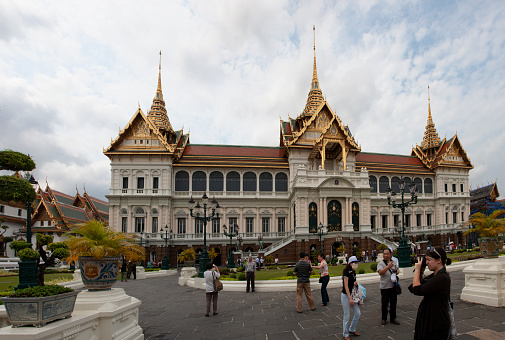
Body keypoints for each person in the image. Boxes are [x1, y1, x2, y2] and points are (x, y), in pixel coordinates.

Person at [411, 247, 452, 339]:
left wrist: (417, 270)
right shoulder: (435, 276)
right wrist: (421, 270)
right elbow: (413, 287)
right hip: (431, 320)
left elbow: (417, 290)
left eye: (429, 260)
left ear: (439, 260)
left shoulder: (442, 278)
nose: (427, 262)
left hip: (436, 323)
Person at [377, 248, 400, 325]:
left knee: (393, 303)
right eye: (384, 254)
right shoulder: (381, 263)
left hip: (393, 286)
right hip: (384, 287)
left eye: (387, 254)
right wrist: (388, 267)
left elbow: (397, 270)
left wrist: (397, 271)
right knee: (384, 303)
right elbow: (380, 272)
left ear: (390, 254)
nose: (385, 255)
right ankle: (384, 318)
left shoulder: (394, 262)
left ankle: (393, 318)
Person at [341, 256, 361, 340]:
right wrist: (350, 299)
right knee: (347, 315)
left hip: (352, 295)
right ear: (350, 263)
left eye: (356, 262)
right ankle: (345, 334)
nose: (356, 264)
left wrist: (355, 284)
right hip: (346, 295)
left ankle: (352, 329)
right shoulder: (346, 272)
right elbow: (346, 286)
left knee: (358, 313)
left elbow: (352, 282)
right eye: (354, 262)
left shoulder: (353, 272)